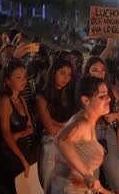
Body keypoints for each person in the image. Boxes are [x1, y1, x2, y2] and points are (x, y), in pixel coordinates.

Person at [46, 76, 112, 194]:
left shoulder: (85, 120)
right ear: (86, 100)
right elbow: (61, 140)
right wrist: (87, 175)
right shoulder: (82, 124)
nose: (109, 99)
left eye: (107, 95)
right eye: (102, 97)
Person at [83, 57, 119, 194]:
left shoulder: (112, 92)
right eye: (95, 70)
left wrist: (116, 116)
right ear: (87, 72)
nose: (99, 73)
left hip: (109, 136)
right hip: (89, 137)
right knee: (91, 187)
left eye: (102, 70)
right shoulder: (81, 91)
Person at [36, 59, 78, 188]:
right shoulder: (42, 97)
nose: (66, 78)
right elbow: (50, 129)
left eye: (69, 75)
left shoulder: (70, 95)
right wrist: (69, 126)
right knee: (49, 183)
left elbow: (76, 122)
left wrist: (62, 125)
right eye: (62, 73)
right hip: (51, 143)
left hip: (69, 142)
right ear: (53, 73)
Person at [0, 61, 37, 193]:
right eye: (18, 77)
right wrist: (22, 159)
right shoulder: (4, 100)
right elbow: (6, 134)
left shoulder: (21, 99)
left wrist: (18, 135)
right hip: (8, 156)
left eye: (24, 76)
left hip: (22, 150)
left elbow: (31, 127)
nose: (23, 80)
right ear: (7, 81)